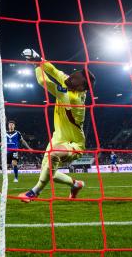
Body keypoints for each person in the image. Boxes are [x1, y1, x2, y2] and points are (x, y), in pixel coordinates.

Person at [18, 49, 94, 203]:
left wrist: (36, 65)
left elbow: (42, 81)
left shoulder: (72, 98)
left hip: (74, 143)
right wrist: (38, 59)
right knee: (48, 172)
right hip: (58, 137)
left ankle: (33, 193)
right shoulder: (71, 82)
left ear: (81, 88)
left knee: (53, 155)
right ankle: (76, 184)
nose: (67, 81)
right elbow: (53, 70)